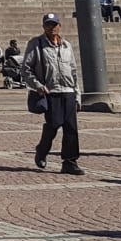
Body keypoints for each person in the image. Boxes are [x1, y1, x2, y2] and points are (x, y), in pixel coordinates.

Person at [23, 12, 81, 174]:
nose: (52, 28)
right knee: (54, 124)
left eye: (54, 24)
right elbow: (26, 69)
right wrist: (37, 85)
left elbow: (74, 71)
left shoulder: (66, 45)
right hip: (50, 91)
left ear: (60, 26)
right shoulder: (36, 44)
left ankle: (70, 162)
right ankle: (42, 150)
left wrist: (77, 95)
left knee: (71, 128)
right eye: (48, 25)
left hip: (68, 91)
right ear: (44, 27)